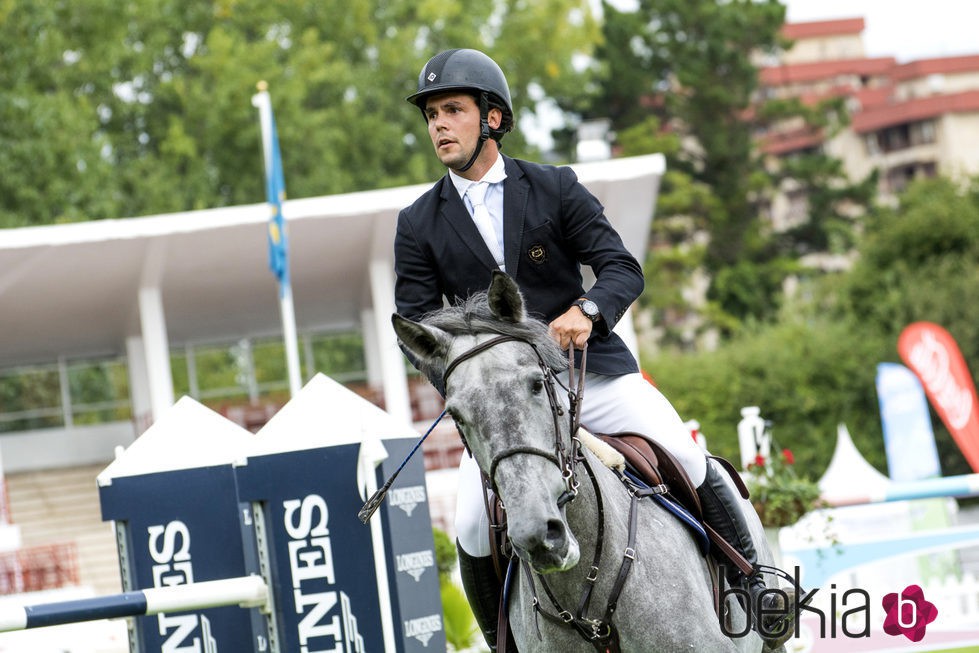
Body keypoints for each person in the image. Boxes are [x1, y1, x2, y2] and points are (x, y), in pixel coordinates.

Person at [393, 48, 793, 650]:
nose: (439, 126)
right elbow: (421, 332)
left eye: (452, 110)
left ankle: (757, 583)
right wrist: (469, 383)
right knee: (474, 521)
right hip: (507, 405)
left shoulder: (553, 187)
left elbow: (619, 267)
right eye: (431, 115)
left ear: (493, 119)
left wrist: (588, 309)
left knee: (685, 454)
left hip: (591, 376)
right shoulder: (418, 221)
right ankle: (501, 639)